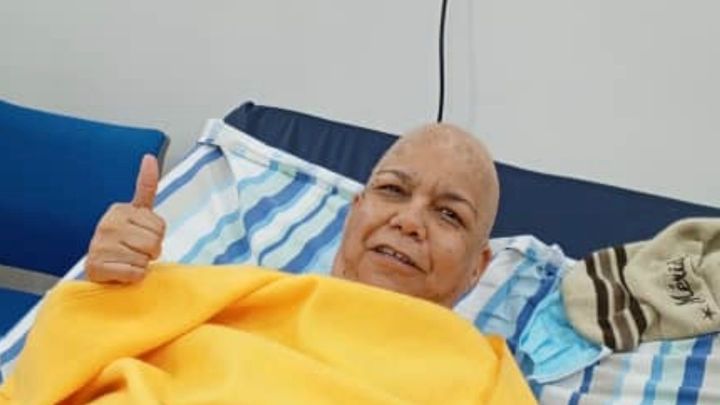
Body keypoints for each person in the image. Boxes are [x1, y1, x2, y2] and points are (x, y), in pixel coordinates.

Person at [86, 123, 500, 308]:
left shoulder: (484, 384)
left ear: (477, 269)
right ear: (354, 211)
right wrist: (108, 289)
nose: (408, 222)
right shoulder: (233, 304)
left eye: (449, 214)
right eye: (392, 190)